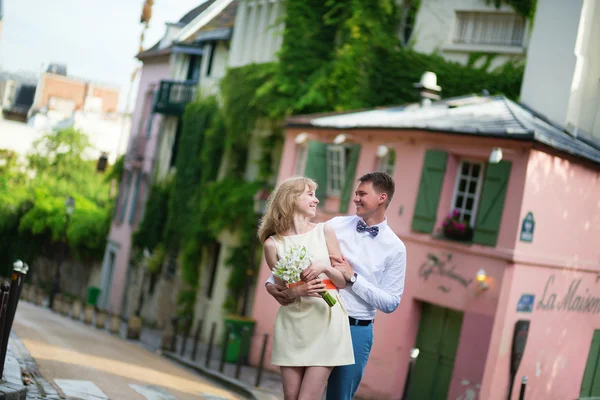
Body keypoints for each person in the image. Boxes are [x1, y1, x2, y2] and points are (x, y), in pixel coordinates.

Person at [266, 172, 406, 400]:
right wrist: (271, 283)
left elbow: (391, 302)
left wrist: (353, 279)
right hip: (316, 319)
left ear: (382, 198)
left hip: (356, 328)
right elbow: (298, 253)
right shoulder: (335, 226)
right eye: (356, 194)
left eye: (362, 194)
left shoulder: (395, 248)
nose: (356, 199)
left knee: (339, 397)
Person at [258, 176, 355, 400]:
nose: (316, 200)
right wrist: (296, 291)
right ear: (291, 199)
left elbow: (341, 282)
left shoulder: (325, 231)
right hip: (294, 324)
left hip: (327, 321)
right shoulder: (272, 244)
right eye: (310, 194)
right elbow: (282, 294)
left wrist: (325, 268)